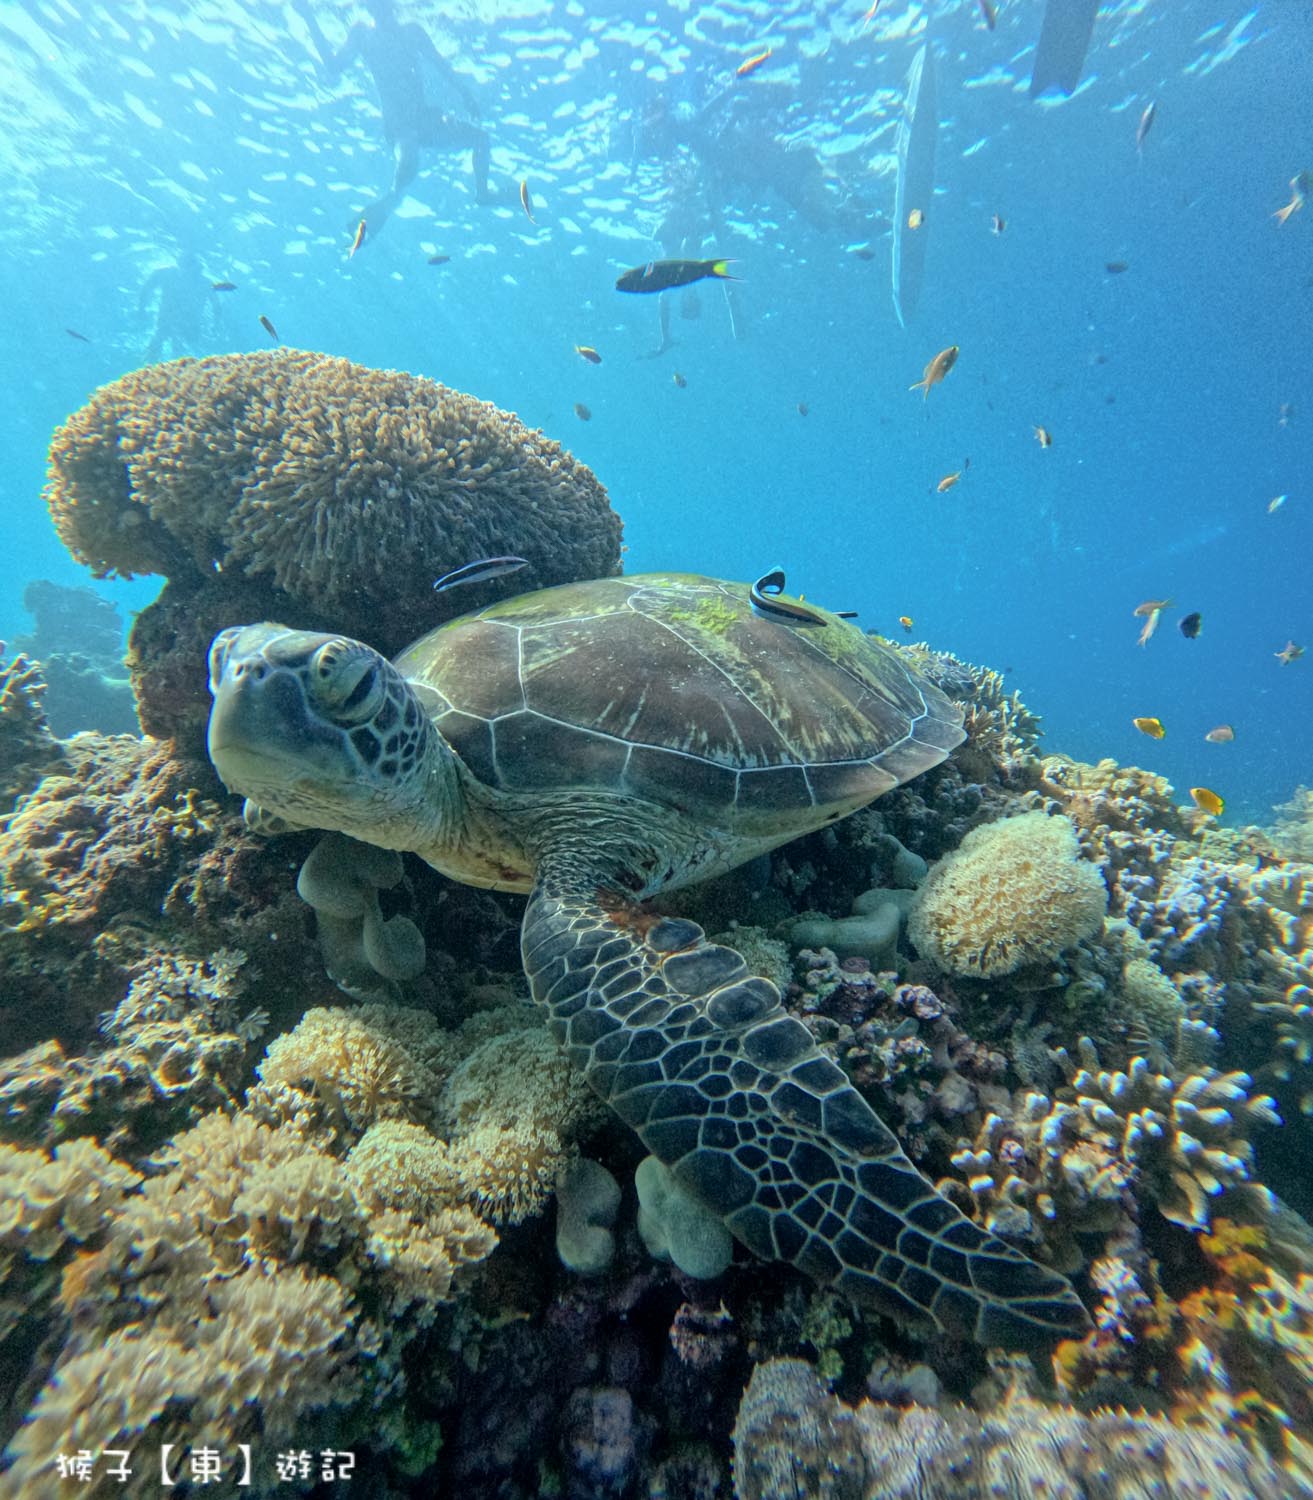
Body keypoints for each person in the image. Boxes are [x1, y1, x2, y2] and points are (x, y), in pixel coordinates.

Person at [295, 0, 495, 233]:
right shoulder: (362, 35)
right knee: (409, 159)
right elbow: (333, 66)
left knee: (480, 138)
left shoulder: (412, 32)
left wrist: (465, 94)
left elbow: (441, 65)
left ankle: (482, 194)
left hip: (425, 119)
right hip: (399, 127)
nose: (381, 8)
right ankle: (390, 201)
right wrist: (309, 18)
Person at [137, 250, 223, 360]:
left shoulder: (166, 274)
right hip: (175, 320)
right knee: (164, 346)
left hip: (183, 322)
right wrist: (141, 309)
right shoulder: (166, 274)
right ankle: (153, 368)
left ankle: (151, 368)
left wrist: (142, 309)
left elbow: (146, 289)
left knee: (165, 346)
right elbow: (216, 306)